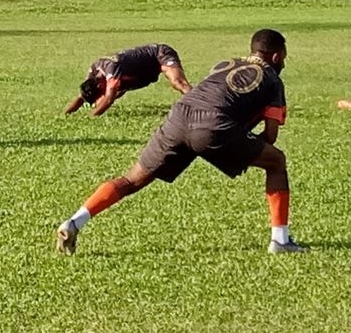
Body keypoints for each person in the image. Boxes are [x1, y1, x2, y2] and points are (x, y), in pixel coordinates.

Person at [56, 29, 307, 255]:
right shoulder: (273, 80)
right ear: (276, 57)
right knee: (276, 162)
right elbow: (271, 136)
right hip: (212, 126)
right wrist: (243, 147)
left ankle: (74, 222)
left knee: (131, 180)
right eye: (283, 57)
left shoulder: (225, 64)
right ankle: (280, 241)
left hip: (178, 117)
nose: (283, 62)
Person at [64, 43, 192, 116]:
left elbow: (109, 99)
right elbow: (81, 96)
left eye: (100, 94)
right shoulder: (93, 74)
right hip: (144, 72)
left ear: (100, 86)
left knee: (178, 83)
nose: (101, 96)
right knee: (102, 102)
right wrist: (66, 114)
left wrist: (92, 117)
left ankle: (202, 102)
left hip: (159, 55)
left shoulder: (111, 69)